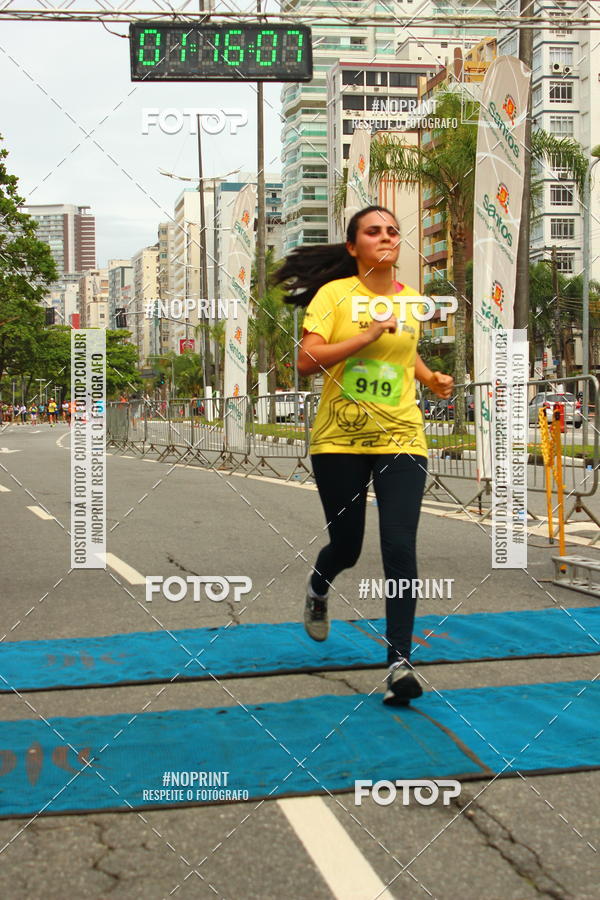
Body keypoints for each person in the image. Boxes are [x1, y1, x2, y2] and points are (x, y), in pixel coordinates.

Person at [274, 205, 454, 706]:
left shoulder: (412, 300)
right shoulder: (335, 296)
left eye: (393, 231)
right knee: (347, 547)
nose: (386, 237)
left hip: (401, 436)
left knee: (399, 545)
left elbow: (405, 353)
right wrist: (365, 336)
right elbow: (307, 360)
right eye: (374, 231)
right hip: (340, 440)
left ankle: (399, 661)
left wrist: (430, 378)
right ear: (354, 247)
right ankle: (318, 584)